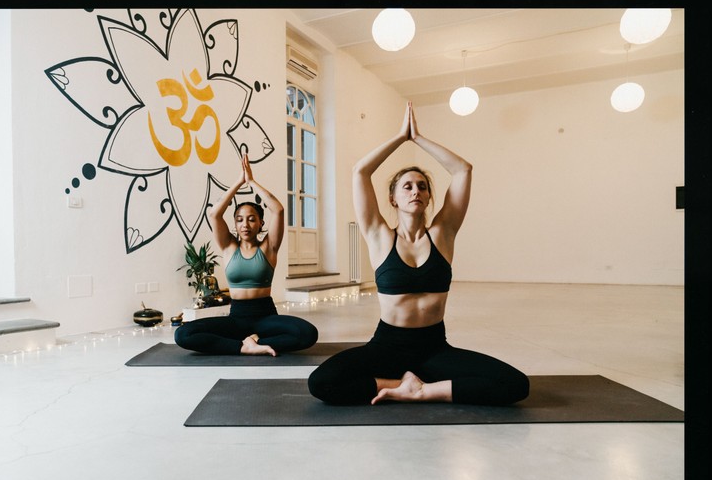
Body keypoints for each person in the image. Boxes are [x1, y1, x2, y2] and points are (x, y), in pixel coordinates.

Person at [307, 102, 529, 405]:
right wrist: (401, 137)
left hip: (435, 350)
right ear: (393, 198)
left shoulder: (443, 233)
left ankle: (424, 390)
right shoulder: (378, 235)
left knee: (516, 385)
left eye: (422, 187)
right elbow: (361, 171)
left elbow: (462, 169)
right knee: (321, 383)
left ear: (428, 197)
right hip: (386, 348)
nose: (416, 191)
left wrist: (419, 138)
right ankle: (398, 384)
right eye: (407, 186)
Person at [173, 152, 318, 357]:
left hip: (266, 317)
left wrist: (252, 181)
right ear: (234, 224)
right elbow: (215, 214)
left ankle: (256, 340)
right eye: (239, 219)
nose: (245, 224)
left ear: (260, 224)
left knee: (308, 333)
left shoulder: (269, 247)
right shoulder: (228, 247)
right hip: (236, 318)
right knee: (183, 334)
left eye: (251, 219)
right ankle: (243, 346)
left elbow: (278, 209)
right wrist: (239, 183)